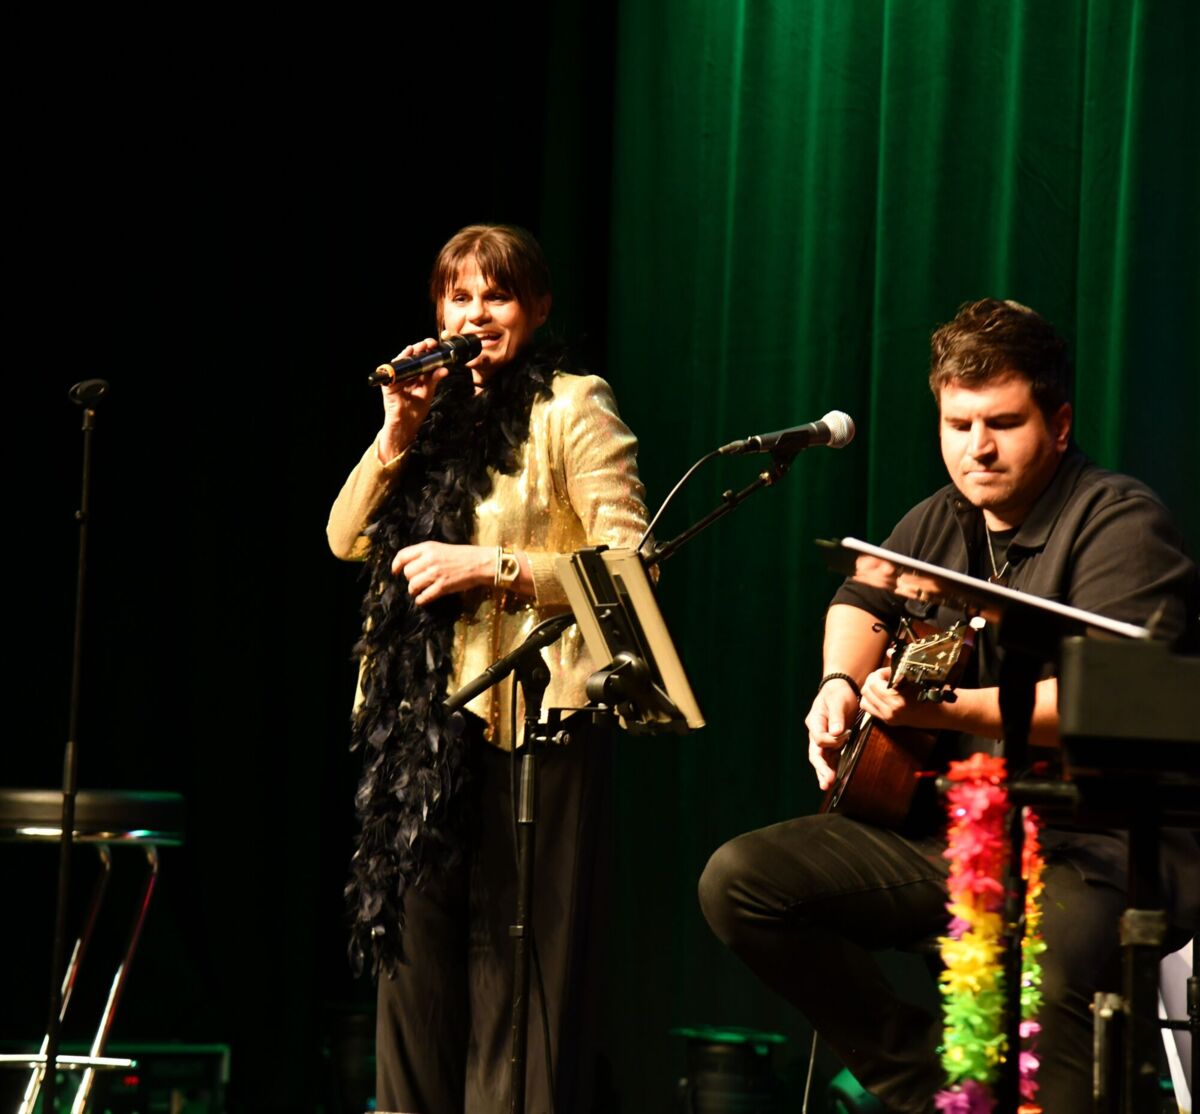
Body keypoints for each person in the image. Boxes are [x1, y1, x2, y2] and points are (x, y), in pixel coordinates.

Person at [697, 299, 1200, 1113]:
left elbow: (1117, 696)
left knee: (1047, 972)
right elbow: (862, 596)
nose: (978, 448)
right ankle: (926, 1085)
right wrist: (836, 684)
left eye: (1003, 423)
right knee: (743, 882)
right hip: (957, 834)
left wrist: (949, 711)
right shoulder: (940, 518)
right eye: (958, 424)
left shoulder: (1121, 524)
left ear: (1059, 424)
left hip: (1097, 843)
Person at [327, 224, 649, 1114]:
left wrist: (494, 567)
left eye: (496, 296)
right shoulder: (429, 413)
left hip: (531, 721)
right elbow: (344, 537)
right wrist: (397, 429)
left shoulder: (572, 406)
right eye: (458, 297)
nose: (475, 314)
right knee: (415, 981)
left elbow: (633, 567)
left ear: (537, 308)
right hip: (419, 731)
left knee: (519, 984)